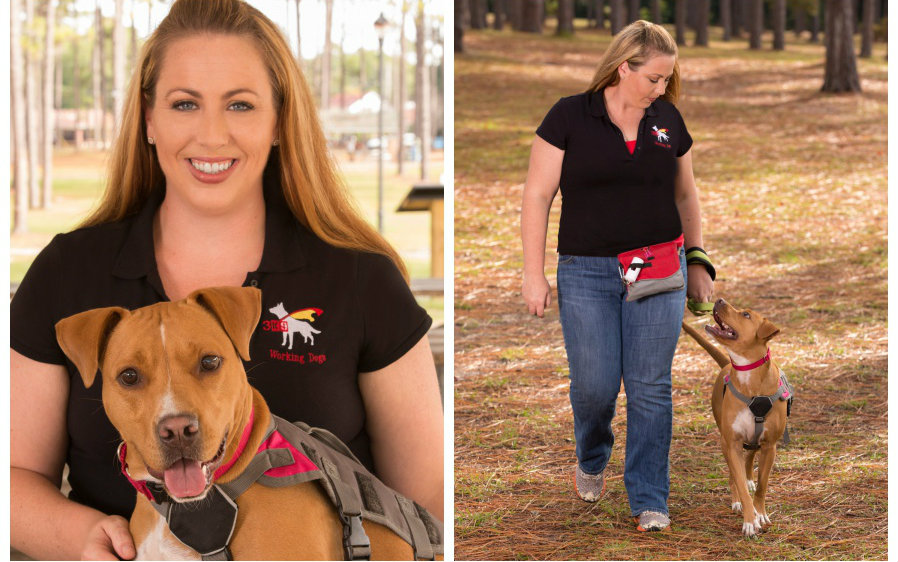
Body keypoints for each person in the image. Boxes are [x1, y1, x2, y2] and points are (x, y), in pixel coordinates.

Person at [10, 1, 443, 559]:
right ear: (148, 118)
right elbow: (13, 475)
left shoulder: (360, 278)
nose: (211, 135)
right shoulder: (67, 273)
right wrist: (83, 538)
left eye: (240, 104)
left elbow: (427, 500)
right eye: (184, 103)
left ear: (279, 120)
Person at [520, 20, 715, 533]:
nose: (661, 89)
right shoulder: (569, 116)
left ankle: (650, 497)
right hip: (586, 270)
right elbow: (538, 195)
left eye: (667, 79)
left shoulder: (668, 119)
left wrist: (696, 260)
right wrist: (533, 273)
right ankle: (592, 453)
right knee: (595, 386)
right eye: (653, 78)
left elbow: (686, 195)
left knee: (650, 386)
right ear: (622, 67)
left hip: (659, 267)